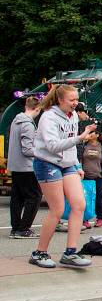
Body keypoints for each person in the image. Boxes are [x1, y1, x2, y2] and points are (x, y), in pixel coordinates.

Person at [28, 84, 97, 269]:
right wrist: (80, 138)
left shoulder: (73, 116)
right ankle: (39, 253)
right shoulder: (48, 117)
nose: (76, 103)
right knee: (57, 210)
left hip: (67, 164)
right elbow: (52, 146)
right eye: (71, 100)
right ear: (60, 100)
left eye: (77, 99)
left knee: (79, 205)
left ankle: (70, 253)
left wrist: (77, 164)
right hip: (46, 163)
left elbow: (71, 146)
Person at [9, 96, 42, 239]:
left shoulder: (16, 121)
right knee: (34, 197)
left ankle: (15, 228)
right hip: (27, 167)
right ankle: (24, 229)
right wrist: (42, 153)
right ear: (38, 108)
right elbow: (27, 150)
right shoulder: (28, 124)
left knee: (17, 198)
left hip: (15, 165)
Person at [80, 130, 102, 229]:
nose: (88, 135)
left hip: (98, 177)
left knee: (98, 197)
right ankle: (84, 220)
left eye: (91, 133)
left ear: (97, 135)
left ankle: (100, 218)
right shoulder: (83, 146)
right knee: (85, 199)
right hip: (85, 177)